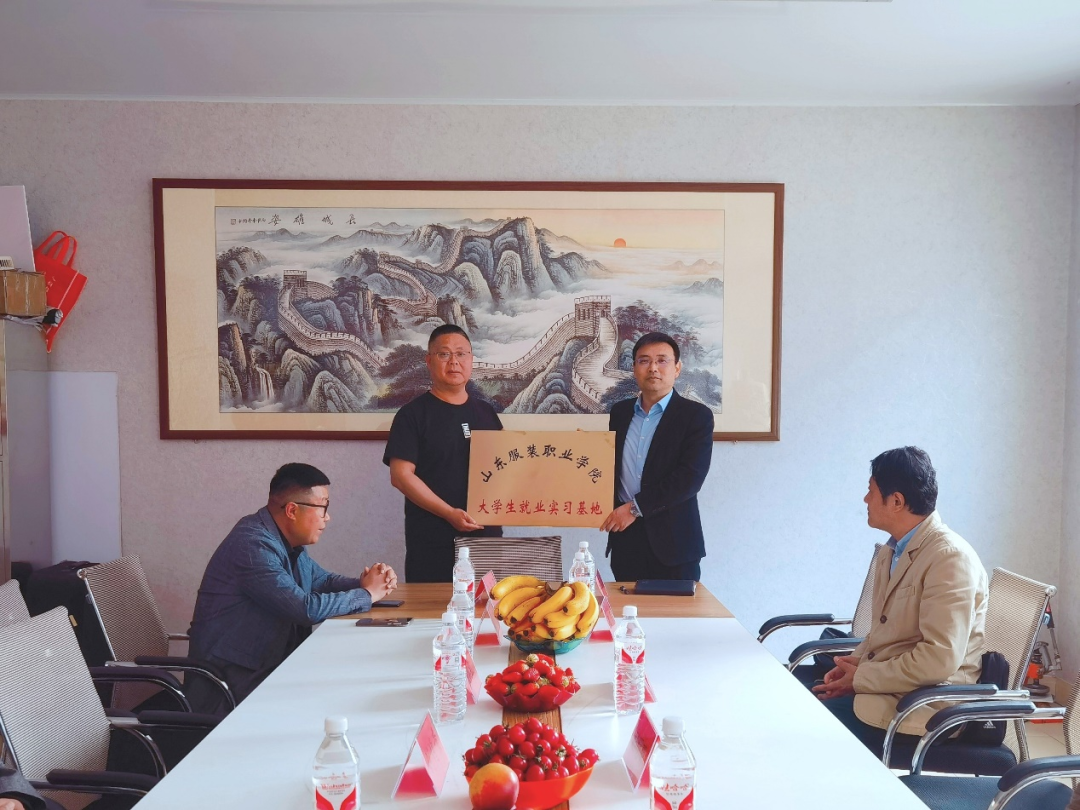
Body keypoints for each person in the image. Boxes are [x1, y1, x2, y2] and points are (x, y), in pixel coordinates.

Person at [812, 446, 989, 758]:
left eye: (871, 491)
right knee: (797, 702)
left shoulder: (950, 559)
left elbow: (938, 660)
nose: (865, 499)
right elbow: (884, 632)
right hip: (893, 688)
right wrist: (853, 664)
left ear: (896, 501)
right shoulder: (892, 550)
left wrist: (862, 678)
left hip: (927, 704)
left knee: (805, 726)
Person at [187, 463, 397, 712]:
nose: (327, 517)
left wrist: (368, 583)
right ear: (292, 510)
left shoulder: (284, 541)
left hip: (268, 670)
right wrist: (367, 594)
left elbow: (321, 581)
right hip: (232, 686)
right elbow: (304, 608)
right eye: (323, 507)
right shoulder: (253, 545)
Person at [384, 324, 503, 582]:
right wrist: (449, 513)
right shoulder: (412, 415)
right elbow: (401, 476)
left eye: (461, 354)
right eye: (444, 354)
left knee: (487, 604)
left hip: (486, 539)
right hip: (433, 540)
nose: (454, 362)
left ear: (471, 360)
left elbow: (505, 468)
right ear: (429, 361)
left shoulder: (487, 413)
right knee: (433, 606)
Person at [599, 332, 713, 581]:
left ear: (677, 368)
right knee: (625, 605)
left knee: (676, 608)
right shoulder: (620, 413)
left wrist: (634, 508)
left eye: (662, 360)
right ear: (634, 368)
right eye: (644, 361)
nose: (653, 368)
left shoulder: (696, 416)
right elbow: (610, 466)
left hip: (674, 543)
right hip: (625, 540)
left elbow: (689, 478)